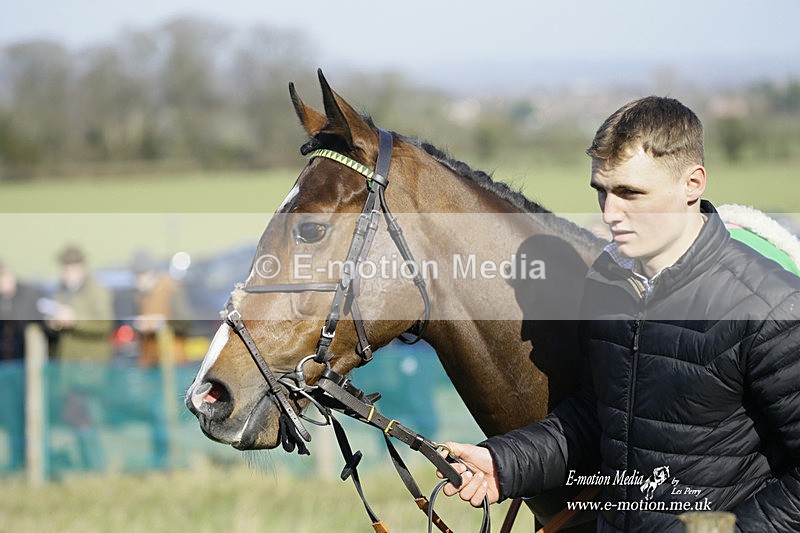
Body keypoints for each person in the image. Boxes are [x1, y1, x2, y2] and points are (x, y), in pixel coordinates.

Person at [441, 96, 800, 531]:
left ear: (693, 183)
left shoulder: (771, 307)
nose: (611, 213)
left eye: (631, 192)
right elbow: (599, 417)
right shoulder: (608, 282)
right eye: (602, 192)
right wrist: (505, 463)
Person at [45, 245, 113, 472]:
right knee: (76, 419)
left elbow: (104, 324)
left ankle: (98, 466)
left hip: (89, 370)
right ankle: (88, 465)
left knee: (89, 420)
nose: (65, 271)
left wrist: (75, 321)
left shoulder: (97, 291)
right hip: (67, 371)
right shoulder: (60, 292)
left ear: (80, 267)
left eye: (69, 266)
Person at [0, 260, 44, 472]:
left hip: (28, 369)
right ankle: (18, 460)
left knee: (31, 415)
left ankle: (34, 461)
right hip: (6, 370)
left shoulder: (29, 295)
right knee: (10, 417)